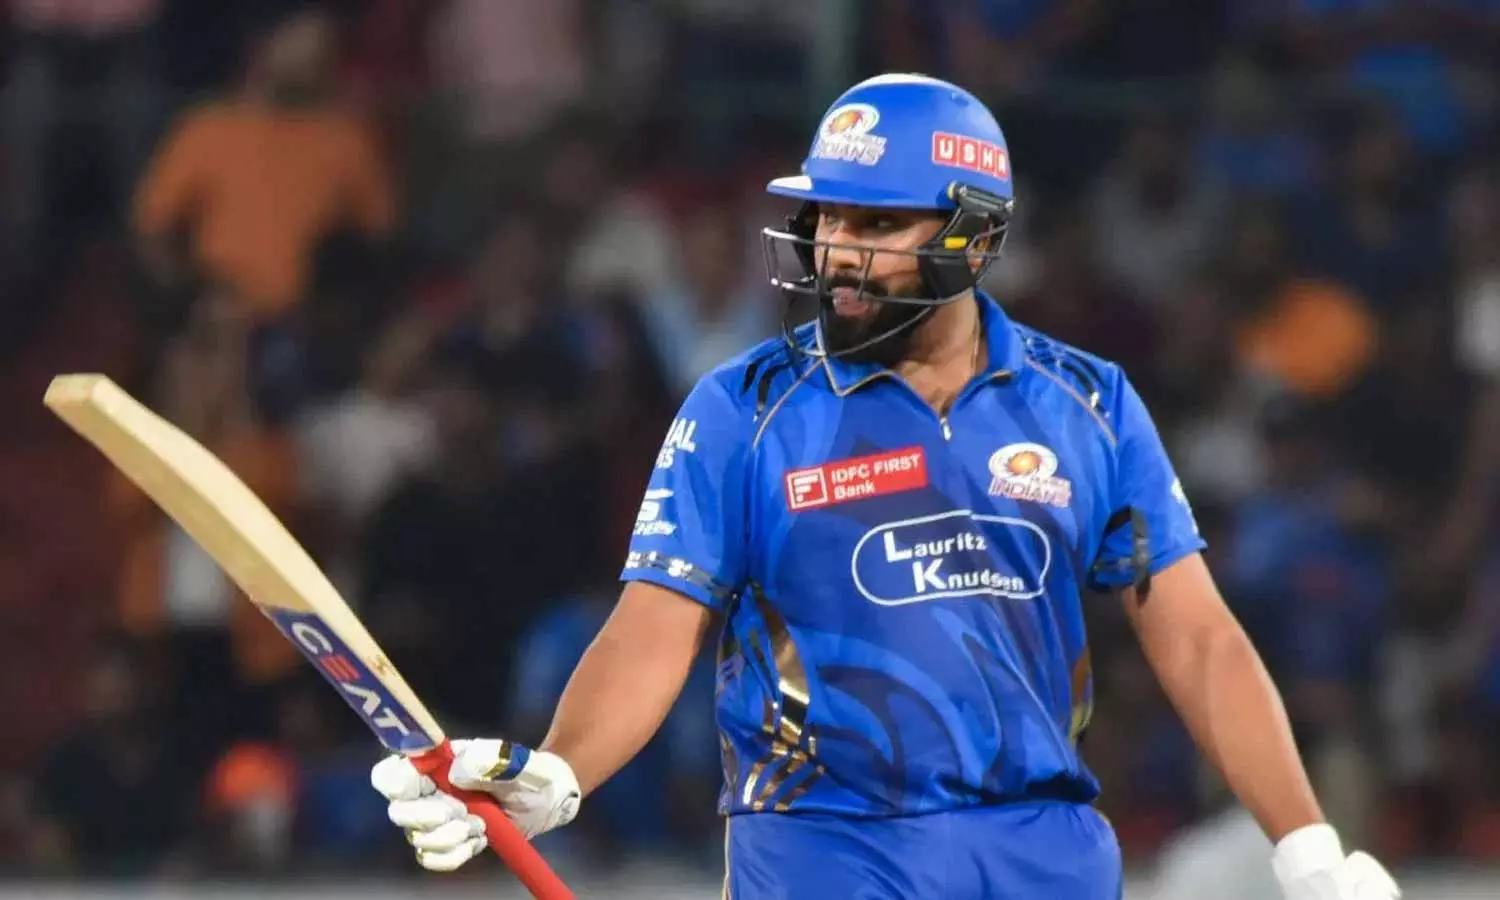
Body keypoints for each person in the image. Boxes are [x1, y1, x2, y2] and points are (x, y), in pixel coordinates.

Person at [368, 74, 1402, 899]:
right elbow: (656, 624)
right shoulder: (744, 409)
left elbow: (1198, 638)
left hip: (1044, 850)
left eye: (876, 225)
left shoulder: (1088, 402)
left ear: (975, 237)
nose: (836, 254)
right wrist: (560, 773)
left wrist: (1308, 851)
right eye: (828, 218)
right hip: (825, 846)